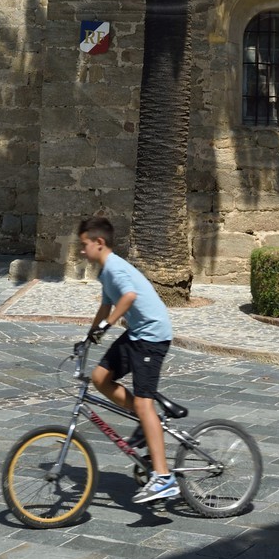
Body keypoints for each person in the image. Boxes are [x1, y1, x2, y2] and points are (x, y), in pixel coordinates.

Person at [77, 215, 179, 504]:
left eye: (85, 245)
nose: (82, 251)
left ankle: (163, 478)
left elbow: (128, 298)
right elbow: (107, 304)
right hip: (136, 334)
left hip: (152, 337)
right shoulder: (105, 272)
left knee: (145, 403)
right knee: (100, 378)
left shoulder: (116, 268)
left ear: (100, 242)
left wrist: (108, 325)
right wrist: (89, 336)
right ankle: (147, 424)